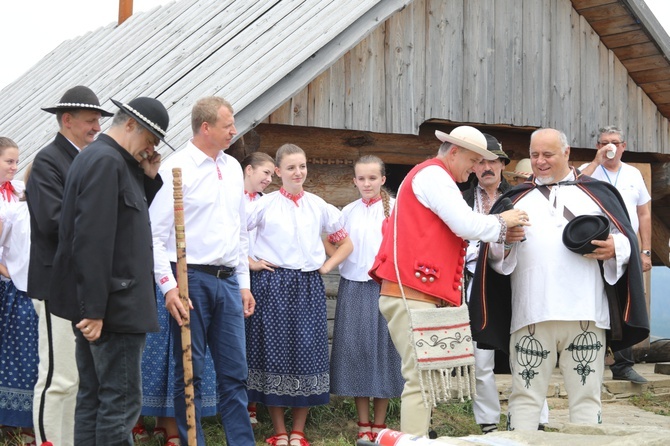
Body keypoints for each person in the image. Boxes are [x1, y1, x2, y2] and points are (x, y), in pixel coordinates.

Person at [470, 128, 649, 431]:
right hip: (532, 313)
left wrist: (614, 247)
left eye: (548, 154)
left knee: (586, 396)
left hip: (586, 314)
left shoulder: (597, 193)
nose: (540, 161)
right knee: (525, 395)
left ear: (566, 153)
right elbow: (494, 261)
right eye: (535, 154)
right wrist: (506, 239)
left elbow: (626, 238)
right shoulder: (515, 199)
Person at [368, 126, 530, 437]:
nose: (475, 168)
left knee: (422, 378)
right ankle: (412, 443)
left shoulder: (432, 176)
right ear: (453, 152)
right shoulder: (434, 176)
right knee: (419, 378)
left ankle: (415, 439)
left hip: (417, 293)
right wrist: (503, 221)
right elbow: (465, 224)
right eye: (472, 160)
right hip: (413, 293)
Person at [48, 96, 169, 443]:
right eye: (150, 141)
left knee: (95, 398)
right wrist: (95, 309)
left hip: (108, 304)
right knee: (120, 403)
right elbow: (92, 240)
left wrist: (147, 177)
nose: (151, 150)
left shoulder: (108, 160)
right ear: (130, 124)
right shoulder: (105, 161)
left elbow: (123, 224)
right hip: (115, 308)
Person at [150, 96, 255, 445]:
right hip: (189, 277)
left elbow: (240, 231)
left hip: (227, 281)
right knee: (189, 371)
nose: (234, 131)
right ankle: (192, 441)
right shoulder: (176, 168)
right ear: (206, 127)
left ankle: (241, 442)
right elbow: (154, 234)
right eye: (228, 125)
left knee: (235, 373)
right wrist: (168, 286)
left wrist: (244, 283)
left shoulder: (234, 168)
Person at [245, 143, 353, 446]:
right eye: (291, 167)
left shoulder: (318, 205)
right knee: (275, 355)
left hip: (308, 287)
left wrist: (327, 265)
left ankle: (298, 431)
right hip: (274, 285)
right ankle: (279, 430)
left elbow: (344, 243)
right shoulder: (263, 205)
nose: (298, 172)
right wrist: (251, 263)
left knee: (308, 355)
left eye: (302, 166)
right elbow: (235, 234)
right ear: (278, 172)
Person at [25, 85, 112, 446]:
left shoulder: (86, 158)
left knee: (77, 376)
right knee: (57, 377)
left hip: (81, 284)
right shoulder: (48, 160)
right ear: (67, 120)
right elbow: (51, 221)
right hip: (54, 283)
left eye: (98, 121)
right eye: (91, 121)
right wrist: (102, 226)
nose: (97, 128)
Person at [463, 137, 550, 434]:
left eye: (492, 161)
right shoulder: (460, 200)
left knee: (527, 350)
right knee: (480, 357)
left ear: (502, 164)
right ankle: (488, 422)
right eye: (480, 161)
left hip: (518, 280)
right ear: (472, 166)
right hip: (476, 284)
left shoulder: (523, 197)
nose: (487, 167)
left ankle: (532, 418)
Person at [329, 155, 403, 442]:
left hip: (385, 287)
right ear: (354, 181)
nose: (367, 183)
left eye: (372, 178)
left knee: (383, 351)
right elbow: (333, 242)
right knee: (357, 350)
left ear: (383, 179)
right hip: (353, 287)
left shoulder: (396, 209)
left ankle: (380, 424)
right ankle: (363, 423)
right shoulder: (346, 211)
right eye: (361, 178)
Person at [579, 125, 651, 384]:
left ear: (623, 146)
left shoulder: (633, 174)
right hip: (594, 245)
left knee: (625, 302)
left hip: (626, 248)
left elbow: (644, 214)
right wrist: (595, 162)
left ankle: (623, 365)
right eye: (604, 143)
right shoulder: (587, 170)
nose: (610, 146)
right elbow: (570, 188)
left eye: (614, 142)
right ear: (598, 146)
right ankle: (587, 362)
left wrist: (645, 251)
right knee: (594, 302)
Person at [0, 140, 38, 444]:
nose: (13, 168)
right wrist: (9, 273)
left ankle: (26, 421)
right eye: (8, 162)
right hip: (10, 282)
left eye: (16, 163)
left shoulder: (17, 195)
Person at [241, 151, 276, 428]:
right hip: (236, 274)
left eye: (272, 175)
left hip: (262, 280)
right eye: (265, 173)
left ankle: (251, 404)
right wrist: (248, 263)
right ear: (249, 169)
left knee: (254, 340)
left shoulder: (268, 203)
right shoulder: (232, 198)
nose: (269, 179)